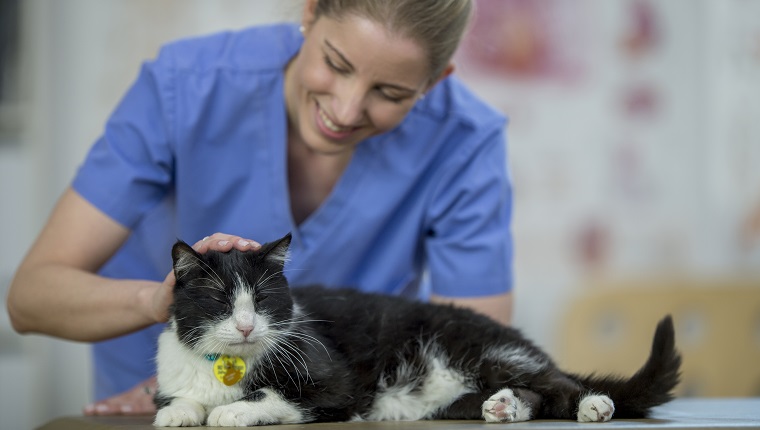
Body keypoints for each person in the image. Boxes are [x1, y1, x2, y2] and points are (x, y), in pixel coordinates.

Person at [7, 0, 513, 416]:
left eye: (390, 92)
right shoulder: (186, 86)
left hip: (340, 404)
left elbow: (477, 350)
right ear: (310, 13)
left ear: (436, 82)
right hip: (171, 402)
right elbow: (30, 299)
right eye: (336, 63)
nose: (345, 110)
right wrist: (158, 308)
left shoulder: (465, 142)